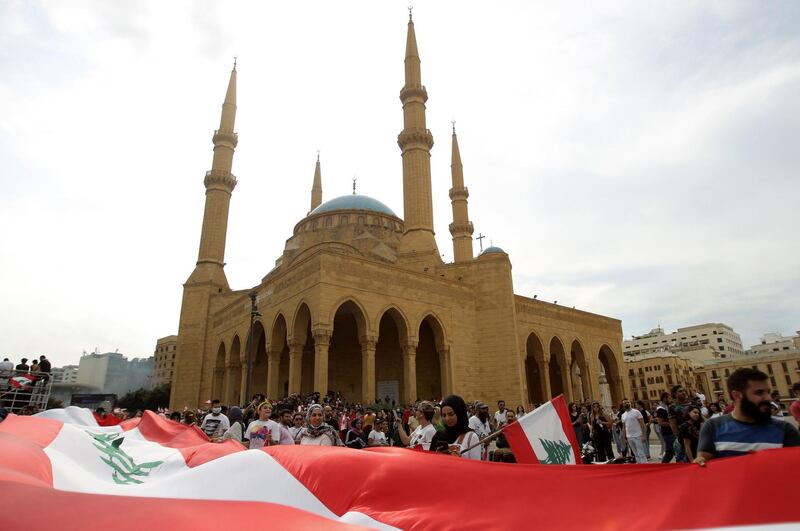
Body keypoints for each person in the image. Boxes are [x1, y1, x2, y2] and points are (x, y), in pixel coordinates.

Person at [695, 368, 800, 465]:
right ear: (737, 395)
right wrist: (699, 464)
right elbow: (705, 467)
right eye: (759, 393)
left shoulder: (785, 430)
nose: (768, 398)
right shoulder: (712, 427)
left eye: (768, 392)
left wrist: (767, 461)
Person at [431, 394, 482, 460]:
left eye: (451, 414)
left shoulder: (471, 437)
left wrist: (459, 460)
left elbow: (476, 467)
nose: (447, 418)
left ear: (459, 413)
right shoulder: (438, 436)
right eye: (444, 415)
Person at [621, 399, 647, 463]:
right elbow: (624, 428)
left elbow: (642, 425)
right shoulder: (623, 415)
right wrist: (624, 438)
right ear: (623, 405)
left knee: (641, 453)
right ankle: (639, 464)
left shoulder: (636, 412)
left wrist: (644, 435)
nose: (626, 403)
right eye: (625, 403)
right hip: (629, 437)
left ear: (630, 403)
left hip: (638, 435)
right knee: (635, 453)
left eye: (628, 402)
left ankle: (645, 465)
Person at [655, 392, 675, 462]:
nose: (671, 400)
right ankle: (664, 464)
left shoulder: (668, 407)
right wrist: (672, 424)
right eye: (669, 398)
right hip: (668, 433)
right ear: (664, 399)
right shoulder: (661, 409)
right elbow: (660, 423)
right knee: (671, 452)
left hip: (672, 432)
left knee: (671, 452)